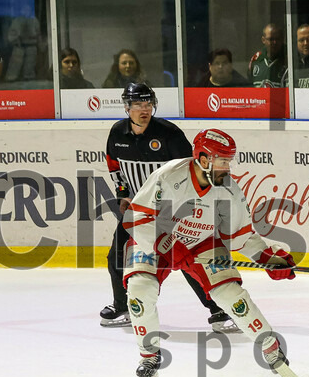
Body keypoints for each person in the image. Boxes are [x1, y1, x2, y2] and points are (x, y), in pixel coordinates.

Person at [122, 128, 298, 377]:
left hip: (201, 242)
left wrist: (268, 257)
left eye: (229, 161)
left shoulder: (229, 189)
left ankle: (271, 347)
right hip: (155, 240)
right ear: (203, 159)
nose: (228, 168)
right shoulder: (168, 176)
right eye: (222, 160)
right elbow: (136, 217)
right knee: (139, 288)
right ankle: (149, 356)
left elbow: (241, 234)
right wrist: (162, 244)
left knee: (230, 294)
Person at [101, 82, 237, 335]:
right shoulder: (117, 133)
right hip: (138, 211)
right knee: (116, 256)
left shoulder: (169, 134)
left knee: (188, 260)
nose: (145, 109)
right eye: (139, 105)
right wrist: (122, 194)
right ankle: (123, 308)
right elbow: (113, 165)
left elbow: (193, 169)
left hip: (172, 210)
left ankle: (219, 311)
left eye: (148, 104)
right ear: (127, 107)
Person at [248, 23, 287, 88]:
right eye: (271, 39)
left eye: (277, 39)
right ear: (263, 40)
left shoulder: (290, 60)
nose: (274, 43)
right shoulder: (256, 59)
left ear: (283, 39)